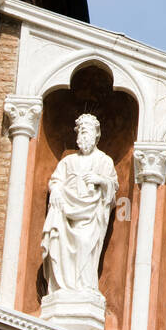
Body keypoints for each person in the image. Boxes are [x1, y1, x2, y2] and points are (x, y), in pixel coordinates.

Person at [42, 114, 118, 294]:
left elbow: (113, 188)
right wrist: (57, 191)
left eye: (87, 132)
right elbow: (56, 181)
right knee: (60, 242)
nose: (83, 136)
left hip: (91, 215)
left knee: (85, 243)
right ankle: (62, 286)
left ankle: (85, 286)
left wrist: (100, 180)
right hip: (66, 212)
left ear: (96, 135)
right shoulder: (68, 161)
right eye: (81, 132)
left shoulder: (104, 161)